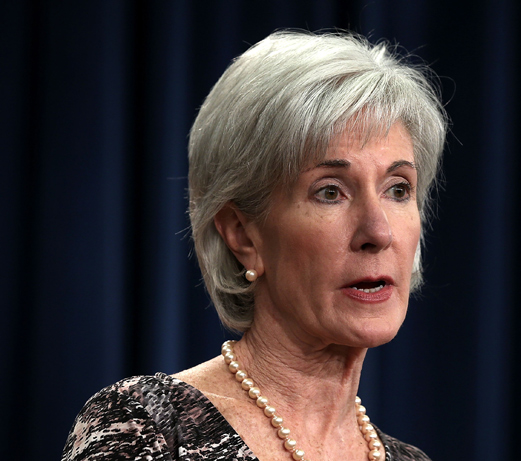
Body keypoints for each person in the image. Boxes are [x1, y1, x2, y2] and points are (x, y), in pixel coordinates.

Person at [62, 29, 447, 461]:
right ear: (243, 235)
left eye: (398, 189)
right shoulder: (145, 427)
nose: (379, 232)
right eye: (329, 191)